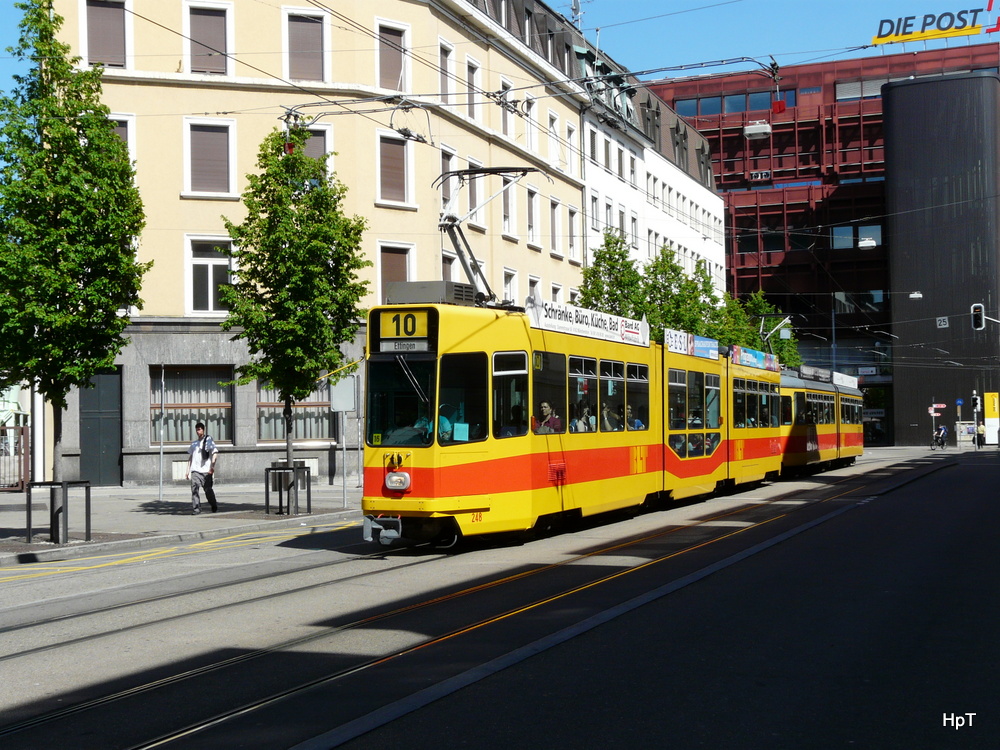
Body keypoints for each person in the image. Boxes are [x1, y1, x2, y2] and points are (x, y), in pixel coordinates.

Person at [186, 422, 218, 514]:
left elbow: (215, 453)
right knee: (194, 490)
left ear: (203, 430)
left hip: (206, 471)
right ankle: (196, 509)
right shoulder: (194, 444)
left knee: (208, 491)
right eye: (197, 429)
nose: (198, 431)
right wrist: (187, 471)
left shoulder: (208, 441)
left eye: (199, 429)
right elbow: (191, 457)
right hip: (195, 471)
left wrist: (212, 466)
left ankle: (213, 504)